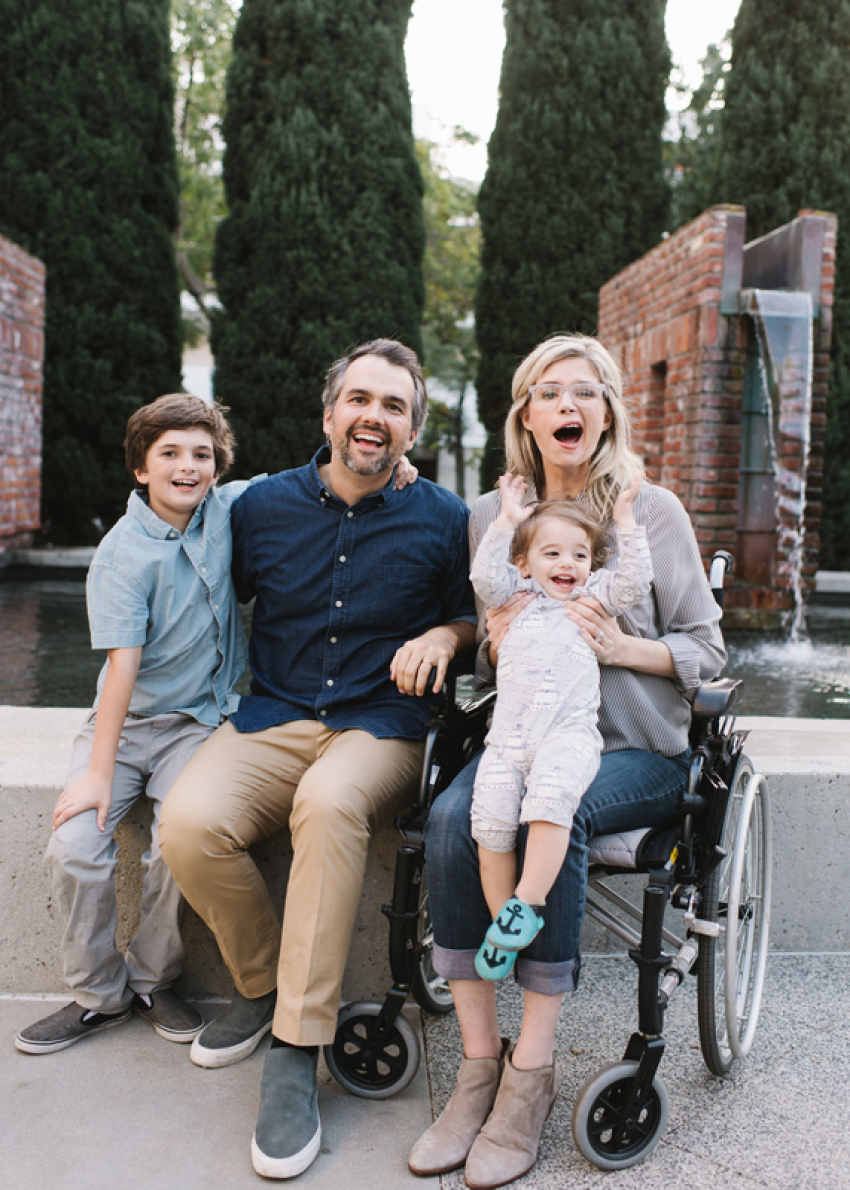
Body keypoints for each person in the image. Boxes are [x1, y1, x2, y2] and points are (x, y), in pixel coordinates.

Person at [408, 334, 726, 1189]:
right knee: (448, 818)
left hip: (639, 751)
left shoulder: (650, 513)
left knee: (565, 808)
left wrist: (627, 648)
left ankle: (530, 1076)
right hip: (527, 734)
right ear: (526, 416)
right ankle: (479, 1065)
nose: (568, 407)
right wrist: (488, 641)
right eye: (549, 393)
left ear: (609, 412)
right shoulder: (491, 517)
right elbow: (494, 661)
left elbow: (708, 648)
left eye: (586, 392)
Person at [159, 338, 477, 1181]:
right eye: (361, 400)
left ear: (412, 426)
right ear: (330, 413)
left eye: (395, 406)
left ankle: (297, 1049)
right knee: (187, 822)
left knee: (331, 804)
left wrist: (446, 632)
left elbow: (479, 620)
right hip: (275, 713)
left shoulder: (444, 517)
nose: (376, 417)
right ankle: (262, 987)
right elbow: (173, 533)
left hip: (383, 727)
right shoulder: (258, 507)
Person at [15, 393, 252, 1055]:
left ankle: (152, 978)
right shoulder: (121, 557)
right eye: (170, 453)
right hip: (122, 727)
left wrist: (395, 469)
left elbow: (307, 480)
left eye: (201, 454)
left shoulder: (226, 512)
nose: (188, 466)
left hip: (197, 725)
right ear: (141, 469)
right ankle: (98, 996)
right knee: (74, 847)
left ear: (216, 465)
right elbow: (121, 671)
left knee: (182, 841)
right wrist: (97, 774)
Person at [470, 470, 651, 981]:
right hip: (507, 742)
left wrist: (624, 521)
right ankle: (502, 922)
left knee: (550, 805)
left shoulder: (590, 598)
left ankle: (526, 902)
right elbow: (483, 576)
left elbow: (635, 580)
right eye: (551, 553)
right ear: (524, 563)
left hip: (567, 738)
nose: (567, 563)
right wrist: (507, 520)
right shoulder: (511, 598)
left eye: (578, 554)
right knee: (491, 823)